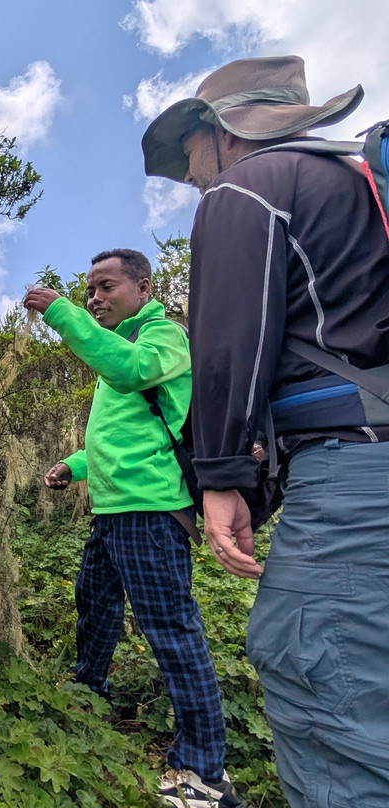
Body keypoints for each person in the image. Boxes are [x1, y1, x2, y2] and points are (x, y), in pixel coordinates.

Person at [142, 55, 389, 807]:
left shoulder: (248, 190)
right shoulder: (359, 189)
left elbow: (226, 347)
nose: (187, 174)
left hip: (353, 475)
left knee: (324, 681)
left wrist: (219, 479)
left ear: (224, 131)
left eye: (187, 149)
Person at [23, 249, 245, 808]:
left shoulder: (162, 339)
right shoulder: (119, 346)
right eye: (89, 291)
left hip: (150, 513)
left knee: (171, 631)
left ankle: (203, 770)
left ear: (144, 288)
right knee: (94, 605)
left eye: (106, 287)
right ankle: (88, 691)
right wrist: (72, 467)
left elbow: (131, 374)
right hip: (113, 512)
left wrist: (63, 313)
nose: (95, 298)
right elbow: (121, 432)